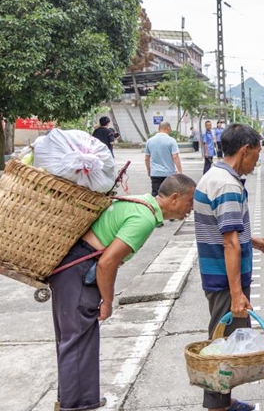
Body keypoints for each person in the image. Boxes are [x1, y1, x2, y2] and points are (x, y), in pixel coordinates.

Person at [50, 174, 196, 411]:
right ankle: (75, 406)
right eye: (190, 202)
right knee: (77, 342)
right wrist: (107, 301)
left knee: (75, 340)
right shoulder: (144, 218)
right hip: (79, 272)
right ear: (175, 198)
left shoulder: (140, 202)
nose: (190, 209)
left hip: (71, 270)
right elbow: (108, 262)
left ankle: (78, 400)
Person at [194, 123, 264, 411]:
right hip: (224, 281)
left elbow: (223, 229)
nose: (256, 162)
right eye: (255, 155)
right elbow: (229, 244)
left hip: (215, 275)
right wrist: (237, 293)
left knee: (225, 342)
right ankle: (218, 407)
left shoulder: (214, 175)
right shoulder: (228, 185)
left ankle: (225, 402)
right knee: (224, 348)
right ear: (244, 150)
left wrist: (249, 239)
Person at [144, 122, 182, 197]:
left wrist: (149, 170)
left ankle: (155, 208)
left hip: (155, 173)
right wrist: (179, 171)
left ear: (158, 129)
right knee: (169, 195)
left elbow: (146, 158)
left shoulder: (150, 141)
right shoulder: (171, 141)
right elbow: (175, 157)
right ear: (168, 128)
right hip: (169, 173)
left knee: (156, 195)